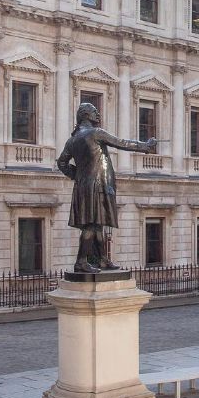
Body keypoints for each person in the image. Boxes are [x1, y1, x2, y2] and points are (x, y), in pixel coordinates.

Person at [57, 102, 157, 273]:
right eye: (95, 112)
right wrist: (145, 146)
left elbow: (62, 163)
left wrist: (79, 176)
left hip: (84, 186)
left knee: (97, 224)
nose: (98, 114)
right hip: (97, 185)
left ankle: (103, 259)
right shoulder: (95, 133)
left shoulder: (72, 140)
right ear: (86, 115)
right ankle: (81, 262)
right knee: (90, 225)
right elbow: (121, 143)